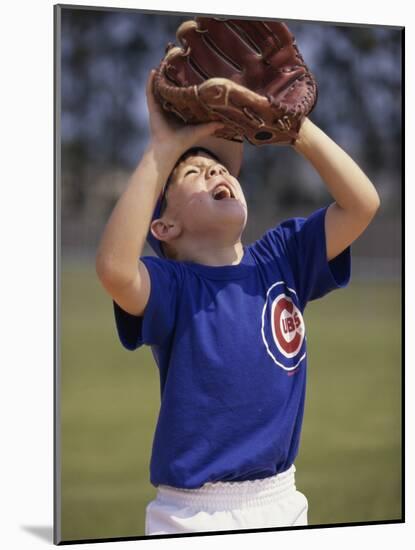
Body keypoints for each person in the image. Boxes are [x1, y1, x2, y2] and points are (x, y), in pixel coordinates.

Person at [95, 70, 380, 535]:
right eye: (192, 173)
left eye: (222, 167)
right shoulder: (174, 286)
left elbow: (362, 204)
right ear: (164, 229)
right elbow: (114, 269)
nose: (216, 171)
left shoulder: (282, 257)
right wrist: (161, 151)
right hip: (191, 514)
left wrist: (295, 129)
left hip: (280, 500)